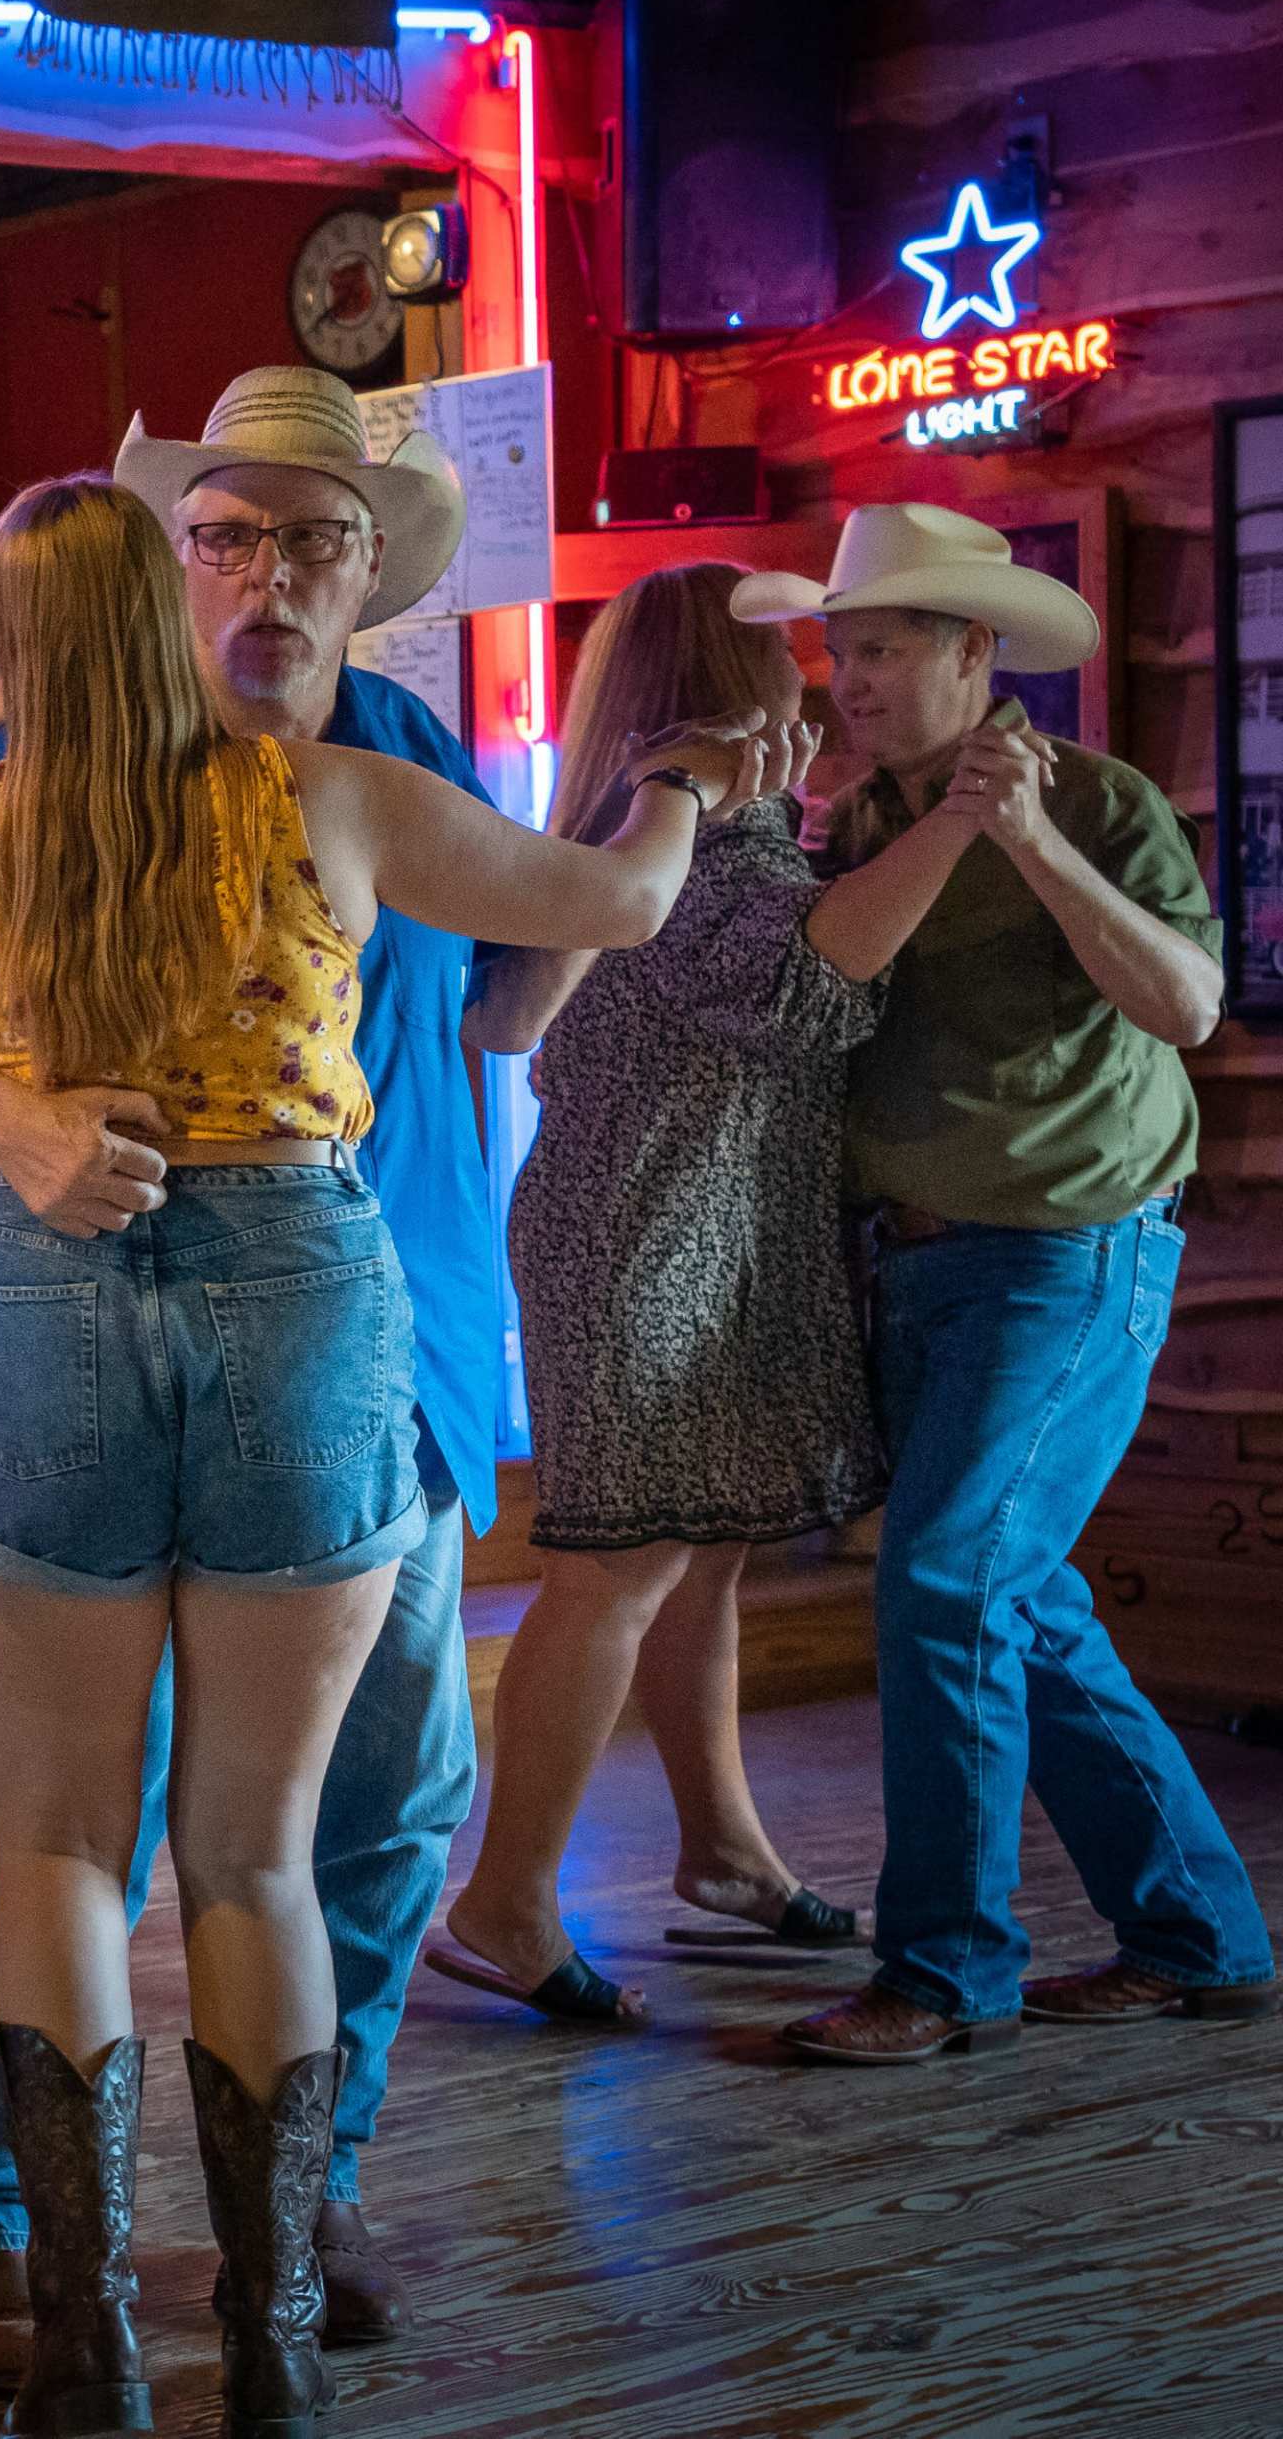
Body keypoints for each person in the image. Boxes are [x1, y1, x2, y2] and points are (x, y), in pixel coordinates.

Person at [0, 472, 754, 2439]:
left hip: (51, 1286)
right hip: (305, 1275)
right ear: (165, 610)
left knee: (63, 1842)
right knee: (257, 1852)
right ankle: (267, 2341)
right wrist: (679, 777)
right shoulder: (334, 795)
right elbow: (618, 905)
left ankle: (83, 2349)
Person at [0, 368, 513, 2384]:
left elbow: (510, 987)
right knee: (72, 1804)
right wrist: (12, 1123)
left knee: (392, 1798)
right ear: (170, 559)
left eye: (313, 537)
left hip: (390, 1315)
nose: (268, 568)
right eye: (226, 531)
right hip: (122, 1284)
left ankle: (289, 2206)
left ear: (364, 574)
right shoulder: (12, 734)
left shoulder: (403, 748)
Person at [741, 506, 1278, 2062]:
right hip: (911, 1269)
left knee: (948, 1580)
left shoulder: (1101, 801)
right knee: (1017, 1601)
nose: (851, 675)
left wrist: (1030, 837)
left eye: (887, 645)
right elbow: (831, 974)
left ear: (977, 653)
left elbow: (1183, 1002)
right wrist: (951, 829)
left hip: (1070, 1253)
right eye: (843, 647)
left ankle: (946, 1968)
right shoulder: (853, 823)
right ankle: (1201, 1933)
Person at [426, 563, 957, 2024]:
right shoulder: (705, 835)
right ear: (730, 681)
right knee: (620, 1556)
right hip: (647, 1225)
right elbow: (805, 995)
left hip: (688, 1219)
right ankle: (506, 1897)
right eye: (788, 654)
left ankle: (722, 1847)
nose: (812, 682)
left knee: (700, 1544)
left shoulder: (672, 816)